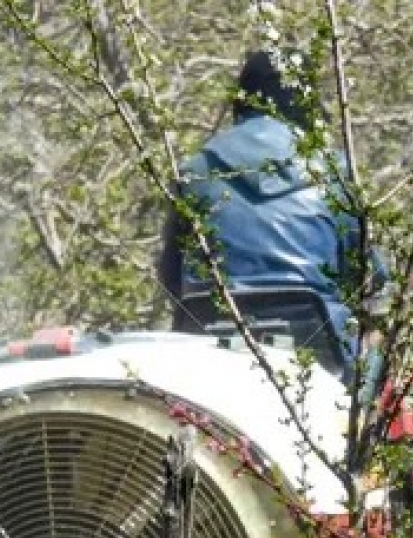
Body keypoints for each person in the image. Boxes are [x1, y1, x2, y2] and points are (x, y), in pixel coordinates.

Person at [157, 49, 388, 382]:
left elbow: (171, 277)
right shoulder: (334, 172)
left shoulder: (193, 173)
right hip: (321, 351)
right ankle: (366, 429)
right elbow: (372, 280)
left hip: (209, 344)